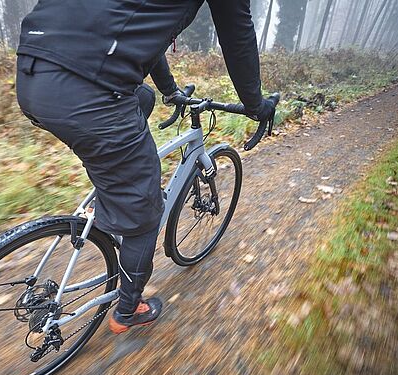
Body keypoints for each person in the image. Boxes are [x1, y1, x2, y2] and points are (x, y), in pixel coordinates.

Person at [16, 0, 275, 334]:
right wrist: (256, 105)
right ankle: (128, 310)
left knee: (143, 99)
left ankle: (112, 194)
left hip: (34, 73)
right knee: (145, 209)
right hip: (88, 89)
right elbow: (237, 33)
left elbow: (141, 33)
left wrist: (169, 91)